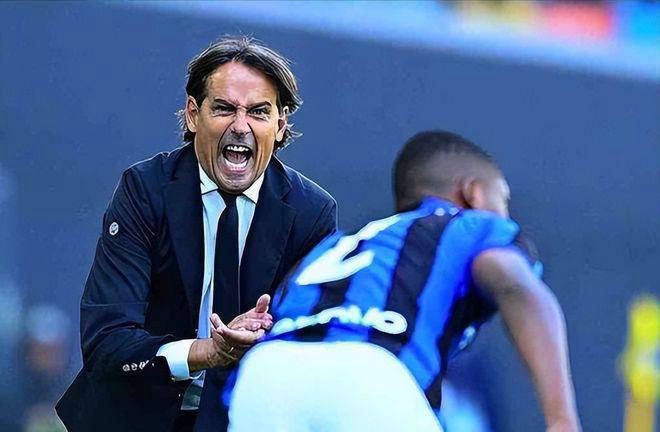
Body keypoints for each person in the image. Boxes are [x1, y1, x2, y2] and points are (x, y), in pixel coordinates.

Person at [55, 36, 337, 432]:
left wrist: (261, 339)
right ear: (193, 115)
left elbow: (313, 350)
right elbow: (108, 342)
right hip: (135, 417)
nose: (240, 126)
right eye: (224, 108)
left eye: (258, 112)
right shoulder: (145, 191)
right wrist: (205, 352)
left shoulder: (312, 212)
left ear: (280, 124)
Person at [222, 130, 581, 432]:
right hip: (370, 372)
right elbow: (517, 287)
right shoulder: (467, 225)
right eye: (503, 198)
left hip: (265, 377)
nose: (506, 213)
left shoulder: (332, 247)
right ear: (473, 193)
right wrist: (561, 421)